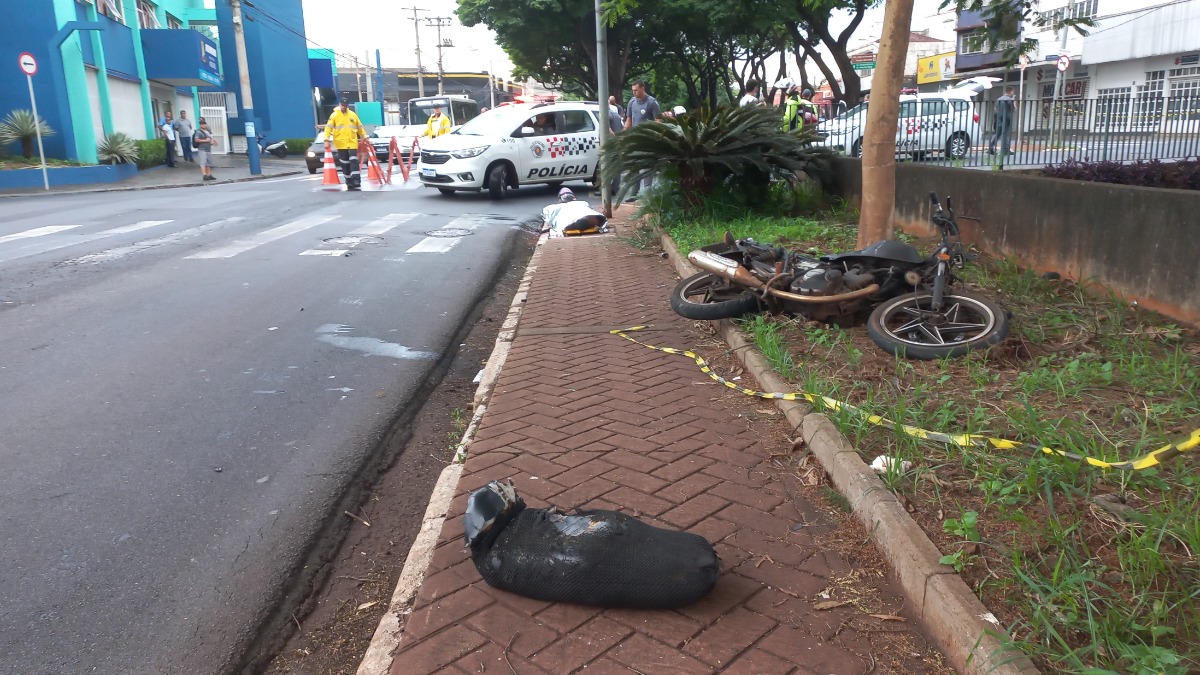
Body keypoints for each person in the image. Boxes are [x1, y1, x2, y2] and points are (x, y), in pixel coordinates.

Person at [623, 80, 660, 200]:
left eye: (636, 90)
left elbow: (658, 121)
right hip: (635, 141)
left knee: (647, 167)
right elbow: (629, 120)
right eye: (633, 90)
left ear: (643, 88)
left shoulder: (652, 102)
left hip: (647, 141)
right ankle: (634, 194)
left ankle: (647, 193)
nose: (634, 92)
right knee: (634, 166)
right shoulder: (632, 102)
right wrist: (624, 134)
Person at [323, 97, 368, 190]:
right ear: (340, 104)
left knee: (354, 160)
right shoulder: (334, 115)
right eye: (342, 105)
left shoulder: (352, 115)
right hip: (341, 143)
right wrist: (326, 140)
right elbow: (328, 128)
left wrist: (365, 137)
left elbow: (360, 128)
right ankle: (349, 181)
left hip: (352, 142)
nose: (344, 107)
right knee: (345, 163)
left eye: (345, 105)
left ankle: (356, 180)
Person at [541, 187, 608, 237]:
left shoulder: (553, 207)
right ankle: (581, 222)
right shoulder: (583, 203)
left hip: (581, 218)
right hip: (591, 217)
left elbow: (546, 216)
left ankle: (578, 223)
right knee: (589, 218)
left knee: (582, 218)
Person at [988, 86, 1017, 156]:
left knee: (997, 134)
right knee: (1005, 134)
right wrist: (1014, 102)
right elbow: (1014, 109)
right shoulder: (1009, 99)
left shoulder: (999, 99)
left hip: (999, 118)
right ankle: (1006, 150)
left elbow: (995, 108)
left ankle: (991, 147)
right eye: (1013, 92)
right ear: (1011, 92)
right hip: (1007, 119)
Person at [192, 117, 216, 181]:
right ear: (200, 125)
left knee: (208, 162)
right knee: (203, 162)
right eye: (202, 124)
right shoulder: (198, 132)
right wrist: (205, 140)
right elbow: (196, 140)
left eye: (204, 124)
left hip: (208, 149)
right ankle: (204, 175)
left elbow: (210, 139)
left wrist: (212, 142)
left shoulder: (207, 132)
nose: (203, 125)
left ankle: (209, 175)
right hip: (202, 149)